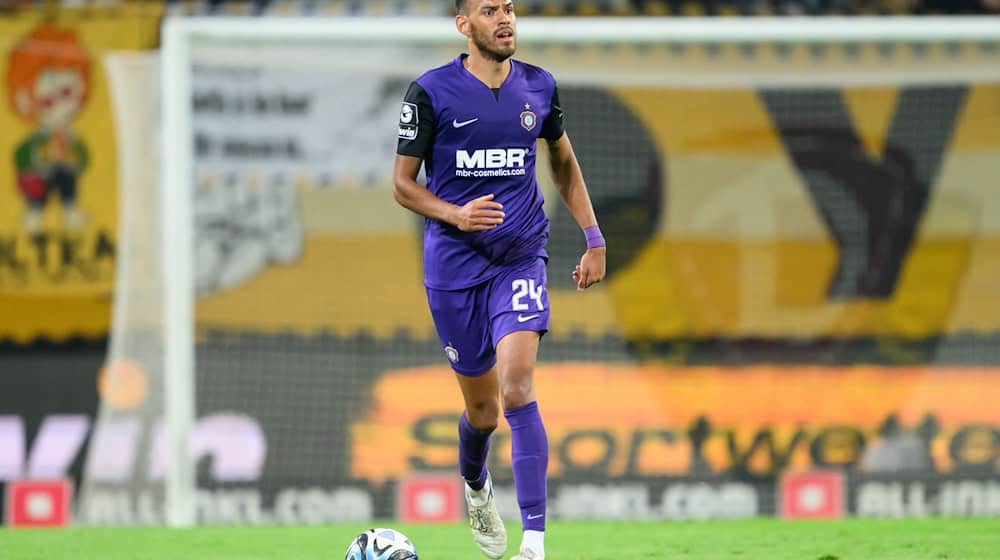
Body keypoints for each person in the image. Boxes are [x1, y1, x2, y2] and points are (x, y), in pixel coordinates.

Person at [392, 1, 606, 558]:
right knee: (482, 412)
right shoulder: (430, 92)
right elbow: (402, 185)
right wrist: (455, 214)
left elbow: (561, 162)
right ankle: (475, 484)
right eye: (490, 10)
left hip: (520, 257)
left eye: (510, 7)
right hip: (454, 268)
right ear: (464, 25)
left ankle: (534, 542)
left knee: (516, 389)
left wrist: (594, 236)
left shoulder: (539, 87)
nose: (505, 18)